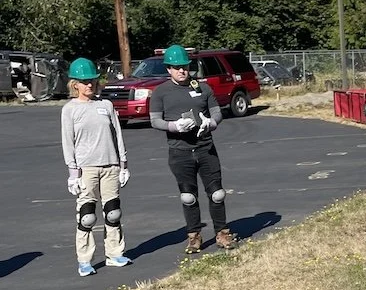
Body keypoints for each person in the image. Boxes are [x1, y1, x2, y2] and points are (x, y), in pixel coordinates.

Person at [148, 45, 237, 254]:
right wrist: (173, 126)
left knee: (217, 193)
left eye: (185, 67)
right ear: (168, 69)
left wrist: (210, 123)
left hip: (205, 148)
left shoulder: (203, 88)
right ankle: (194, 236)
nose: (182, 71)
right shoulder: (160, 92)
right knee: (188, 196)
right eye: (176, 67)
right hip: (180, 151)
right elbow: (154, 120)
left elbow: (217, 113)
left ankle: (222, 233)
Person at [61, 57, 131, 277]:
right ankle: (84, 260)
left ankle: (114, 254)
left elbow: (117, 136)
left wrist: (123, 165)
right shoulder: (70, 109)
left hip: (110, 165)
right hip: (86, 169)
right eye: (84, 82)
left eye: (92, 80)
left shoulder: (105, 105)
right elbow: (68, 142)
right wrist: (73, 174)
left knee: (113, 212)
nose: (89, 85)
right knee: (87, 216)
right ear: (75, 84)